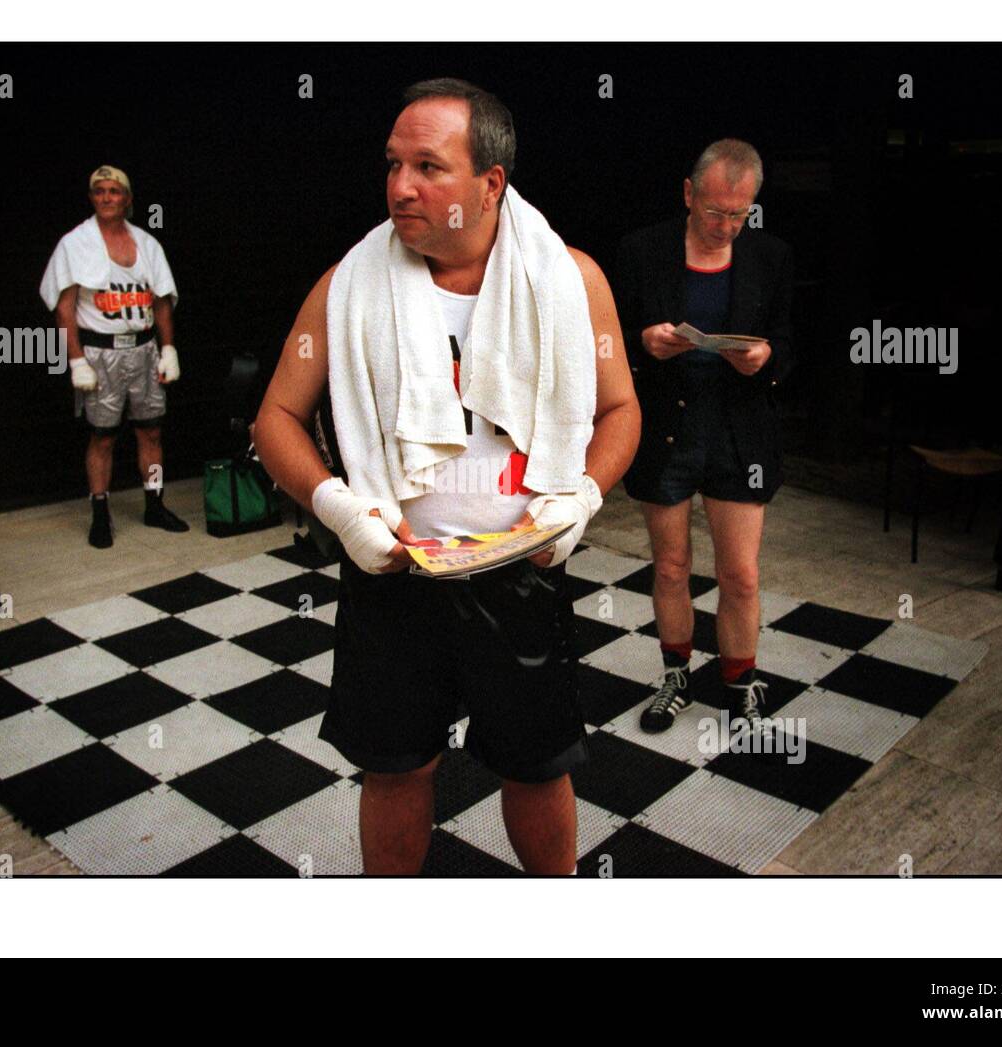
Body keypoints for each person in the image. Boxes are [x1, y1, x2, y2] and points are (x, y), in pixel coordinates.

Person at [253, 78, 639, 875]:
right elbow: (275, 420)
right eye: (393, 164)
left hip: (520, 565)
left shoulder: (570, 279)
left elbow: (621, 409)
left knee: (539, 764)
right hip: (394, 571)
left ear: (489, 182)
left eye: (428, 166)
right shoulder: (349, 285)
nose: (400, 186)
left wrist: (585, 496)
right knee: (395, 767)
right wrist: (339, 507)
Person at [614, 140, 794, 734]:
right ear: (688, 194)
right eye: (715, 211)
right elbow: (607, 336)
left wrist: (765, 359)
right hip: (666, 427)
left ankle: (740, 679)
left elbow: (790, 349)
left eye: (739, 214)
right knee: (670, 567)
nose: (726, 227)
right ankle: (675, 677)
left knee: (739, 574)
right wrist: (645, 343)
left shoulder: (770, 257)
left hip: (739, 434)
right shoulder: (643, 250)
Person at [40, 164, 190, 548]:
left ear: (128, 198)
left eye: (114, 191)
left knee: (151, 430)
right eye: (100, 191)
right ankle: (100, 513)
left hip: (142, 349)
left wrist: (168, 348)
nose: (107, 197)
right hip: (101, 353)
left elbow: (160, 302)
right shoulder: (75, 244)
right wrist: (75, 359)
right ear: (92, 198)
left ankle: (154, 504)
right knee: (103, 437)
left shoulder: (146, 244)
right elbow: (64, 309)